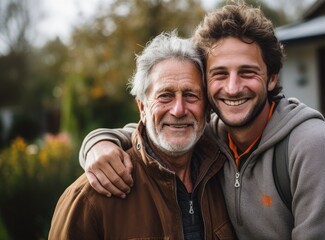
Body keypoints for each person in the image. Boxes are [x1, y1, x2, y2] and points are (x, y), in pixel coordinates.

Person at [79, 3, 325, 239]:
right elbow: (159, 128)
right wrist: (98, 142)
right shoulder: (214, 137)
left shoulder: (312, 148)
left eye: (247, 72)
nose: (232, 88)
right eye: (219, 74)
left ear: (273, 77)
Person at [49, 31, 236, 240]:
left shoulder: (224, 173)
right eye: (165, 95)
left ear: (207, 109)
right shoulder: (89, 198)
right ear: (142, 109)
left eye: (191, 95)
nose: (179, 110)